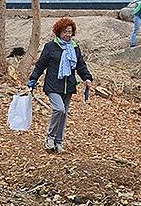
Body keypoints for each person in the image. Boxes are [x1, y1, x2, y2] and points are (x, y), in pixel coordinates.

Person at [28, 17, 94, 153]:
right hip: (53, 84)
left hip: (68, 85)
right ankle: (50, 137)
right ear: (59, 32)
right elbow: (41, 65)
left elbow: (80, 65)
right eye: (65, 32)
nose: (68, 35)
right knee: (59, 109)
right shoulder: (50, 47)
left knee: (64, 115)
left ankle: (59, 142)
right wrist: (33, 79)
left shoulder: (75, 48)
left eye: (70, 32)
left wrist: (87, 77)